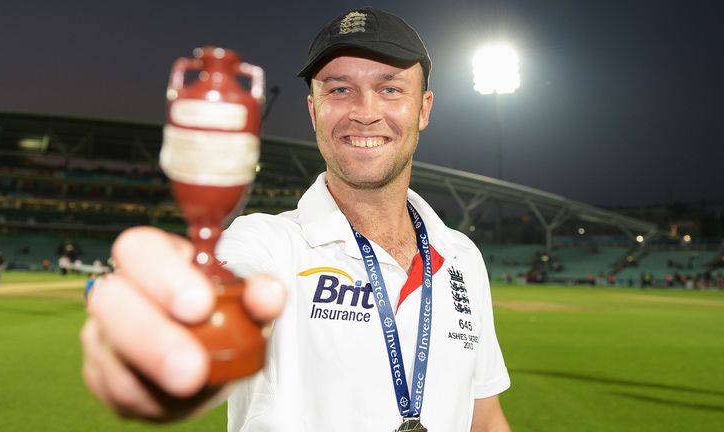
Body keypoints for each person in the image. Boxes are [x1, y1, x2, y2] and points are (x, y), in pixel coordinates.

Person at [81, 7, 511, 431]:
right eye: (339, 90)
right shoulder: (267, 243)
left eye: (391, 89)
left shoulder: (461, 258)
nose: (364, 111)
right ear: (313, 111)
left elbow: (485, 419)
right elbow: (230, 289)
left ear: (423, 109)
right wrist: (167, 337)